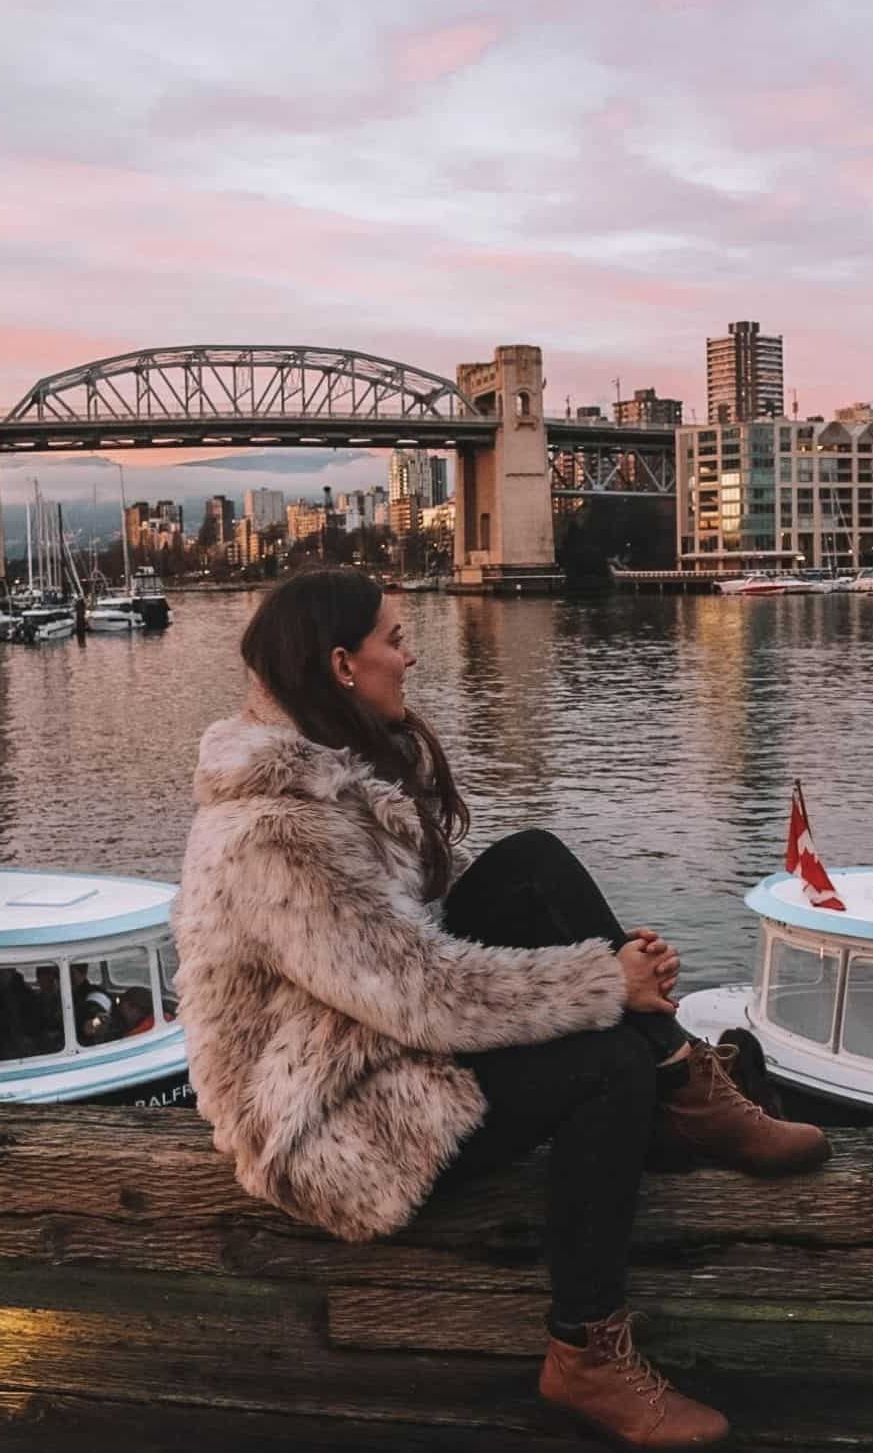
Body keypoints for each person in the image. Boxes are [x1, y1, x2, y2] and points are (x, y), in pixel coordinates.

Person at [175, 568, 830, 1451]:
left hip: (367, 1044)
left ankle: (685, 1084)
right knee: (607, 1067)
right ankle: (585, 1351)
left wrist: (611, 974)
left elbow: (409, 960)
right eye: (395, 640)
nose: (411, 657)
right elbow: (417, 994)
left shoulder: (330, 776)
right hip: (332, 1124)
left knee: (532, 867)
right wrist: (604, 981)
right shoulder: (277, 833)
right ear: (340, 664)